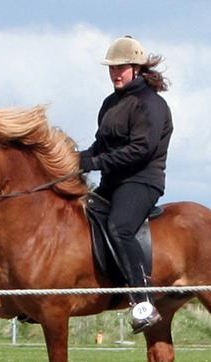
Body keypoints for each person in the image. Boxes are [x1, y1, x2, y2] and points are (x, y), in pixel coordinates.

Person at [79, 35, 173, 334]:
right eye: (112, 68)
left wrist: (94, 163)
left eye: (122, 67)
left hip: (141, 181)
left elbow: (140, 150)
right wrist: (72, 160)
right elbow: (99, 145)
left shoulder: (151, 104)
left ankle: (143, 301)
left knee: (120, 226)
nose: (116, 73)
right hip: (112, 182)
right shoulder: (110, 103)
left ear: (137, 68)